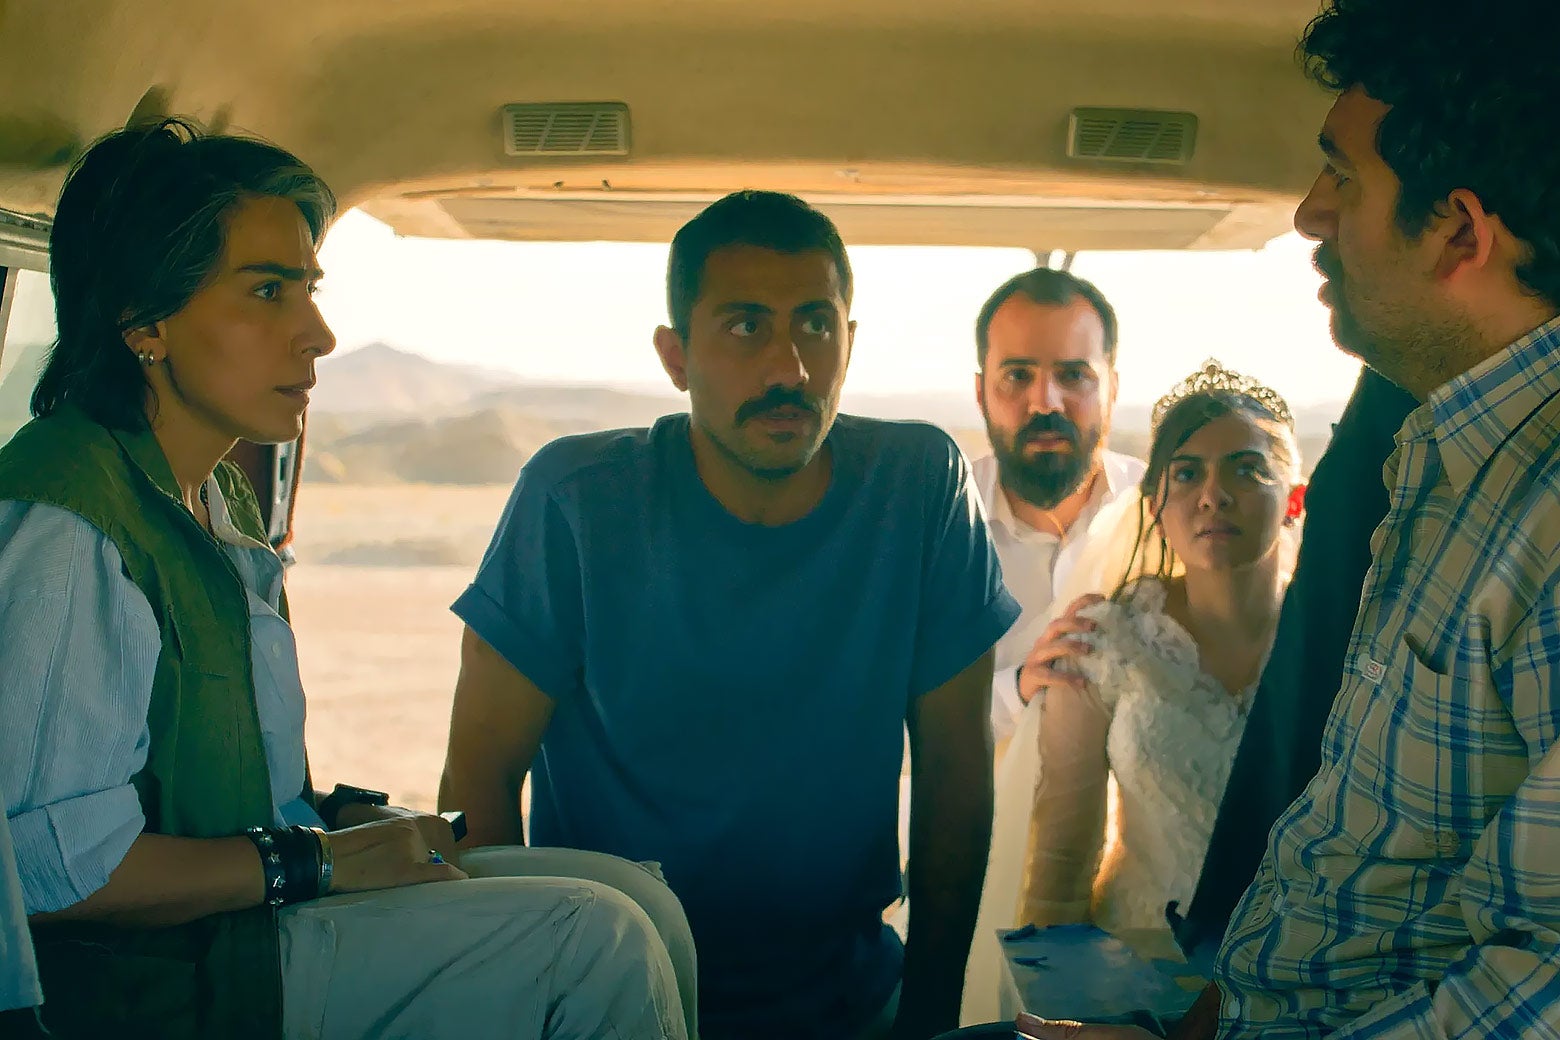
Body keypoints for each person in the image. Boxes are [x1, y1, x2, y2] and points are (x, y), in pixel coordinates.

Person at [0, 118, 690, 1040]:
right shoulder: (71, 528)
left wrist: (343, 822)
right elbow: (51, 876)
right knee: (594, 939)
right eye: (269, 291)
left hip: (243, 917)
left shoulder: (209, 503)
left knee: (636, 898)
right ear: (144, 320)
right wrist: (317, 861)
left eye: (309, 289)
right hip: (166, 982)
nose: (317, 334)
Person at [1024, 0, 1560, 1036]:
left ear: (1459, 231)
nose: (1310, 212)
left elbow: (1537, 980)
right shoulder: (1432, 474)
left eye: (1344, 177)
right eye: (1185, 474)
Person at [439, 190, 1020, 1040]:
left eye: (815, 325)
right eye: (747, 326)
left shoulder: (918, 486)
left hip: (849, 998)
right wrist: (533, 1002)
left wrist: (928, 1021)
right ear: (677, 356)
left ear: (849, 342)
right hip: (612, 1001)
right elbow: (480, 779)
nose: (790, 367)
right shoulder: (576, 500)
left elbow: (956, 778)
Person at [970, 269, 1147, 751]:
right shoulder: (933, 528)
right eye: (1017, 376)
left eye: (1073, 376)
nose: (1044, 403)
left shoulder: (1163, 512)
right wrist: (1018, 690)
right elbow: (883, 720)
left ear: (1112, 389)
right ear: (980, 391)